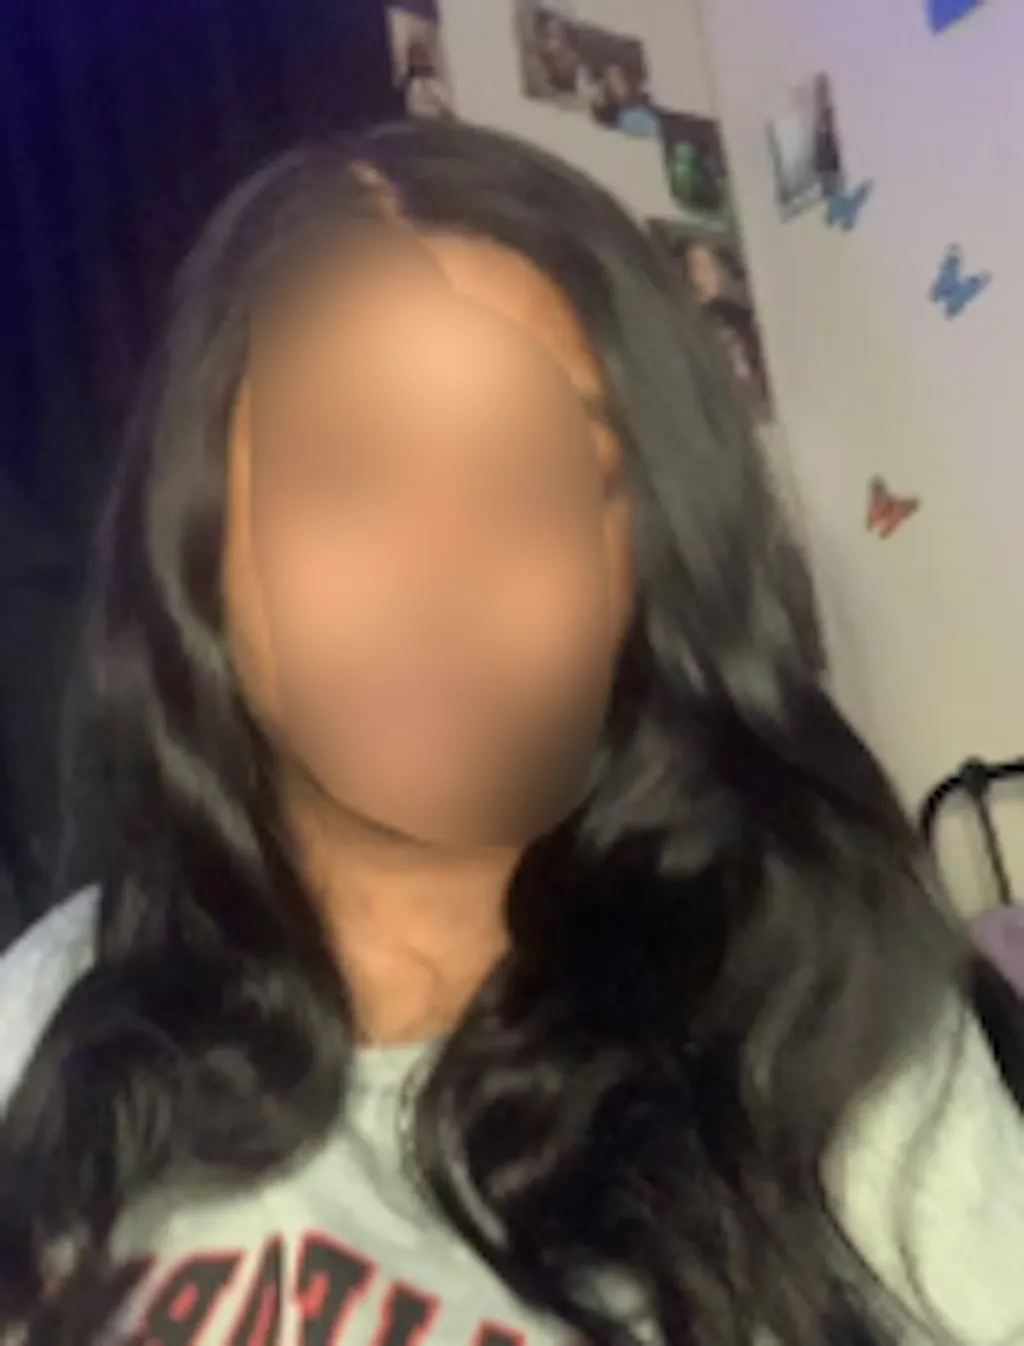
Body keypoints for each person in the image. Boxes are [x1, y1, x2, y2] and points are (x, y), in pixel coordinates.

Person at [0, 120, 1020, 1346]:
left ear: (641, 580)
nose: (436, 575)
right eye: (342, 466)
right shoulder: (55, 1007)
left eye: (539, 483)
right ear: (200, 533)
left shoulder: (823, 1030)